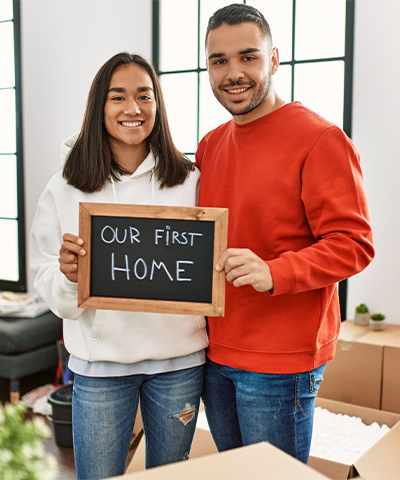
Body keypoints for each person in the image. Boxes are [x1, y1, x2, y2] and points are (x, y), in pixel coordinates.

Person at [195, 4, 375, 464]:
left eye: (248, 57)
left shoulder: (320, 139)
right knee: (236, 473)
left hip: (280, 361)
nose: (233, 73)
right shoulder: (210, 144)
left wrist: (274, 271)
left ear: (274, 59)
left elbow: (354, 245)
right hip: (214, 351)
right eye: (219, 61)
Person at [30, 52, 208, 480]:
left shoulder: (190, 180)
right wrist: (70, 277)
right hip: (101, 368)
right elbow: (44, 279)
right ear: (99, 108)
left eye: (144, 96)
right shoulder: (65, 186)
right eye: (118, 97)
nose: (133, 109)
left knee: (170, 476)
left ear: (158, 105)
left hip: (179, 363)